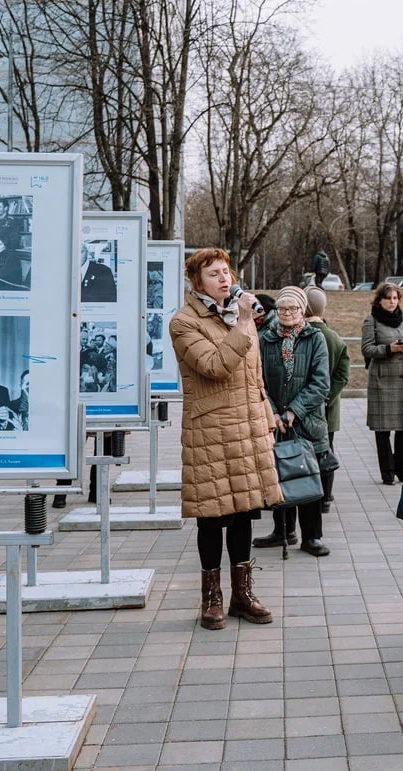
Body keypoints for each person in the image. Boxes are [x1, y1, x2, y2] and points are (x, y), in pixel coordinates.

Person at [169, 247, 282, 630]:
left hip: (247, 429)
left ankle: (242, 595)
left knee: (244, 513)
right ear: (196, 281)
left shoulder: (236, 314)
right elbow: (215, 367)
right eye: (213, 273)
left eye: (225, 272)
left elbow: (255, 379)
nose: (223, 279)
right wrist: (245, 325)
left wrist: (267, 421)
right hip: (210, 433)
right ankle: (212, 599)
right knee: (211, 517)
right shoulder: (184, 323)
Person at [254, 286, 332, 557]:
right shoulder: (265, 339)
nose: (287, 313)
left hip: (306, 421)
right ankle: (282, 530)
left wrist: (293, 411)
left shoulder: (315, 338)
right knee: (279, 474)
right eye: (282, 308)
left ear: (303, 311)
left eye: (293, 308)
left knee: (307, 475)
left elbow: (321, 383)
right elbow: (258, 380)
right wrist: (274, 413)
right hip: (275, 421)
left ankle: (312, 537)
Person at [361, 282, 403, 484]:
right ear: (380, 300)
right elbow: (367, 349)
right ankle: (387, 473)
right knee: (383, 431)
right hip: (382, 382)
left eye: (395, 298)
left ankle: (401, 471)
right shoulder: (371, 321)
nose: (392, 302)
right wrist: (388, 349)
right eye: (388, 298)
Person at [304, 287, 349, 514]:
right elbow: (343, 374)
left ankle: (306, 493)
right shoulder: (335, 338)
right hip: (329, 408)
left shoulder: (301, 334)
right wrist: (329, 398)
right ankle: (326, 496)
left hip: (301, 408)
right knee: (326, 451)